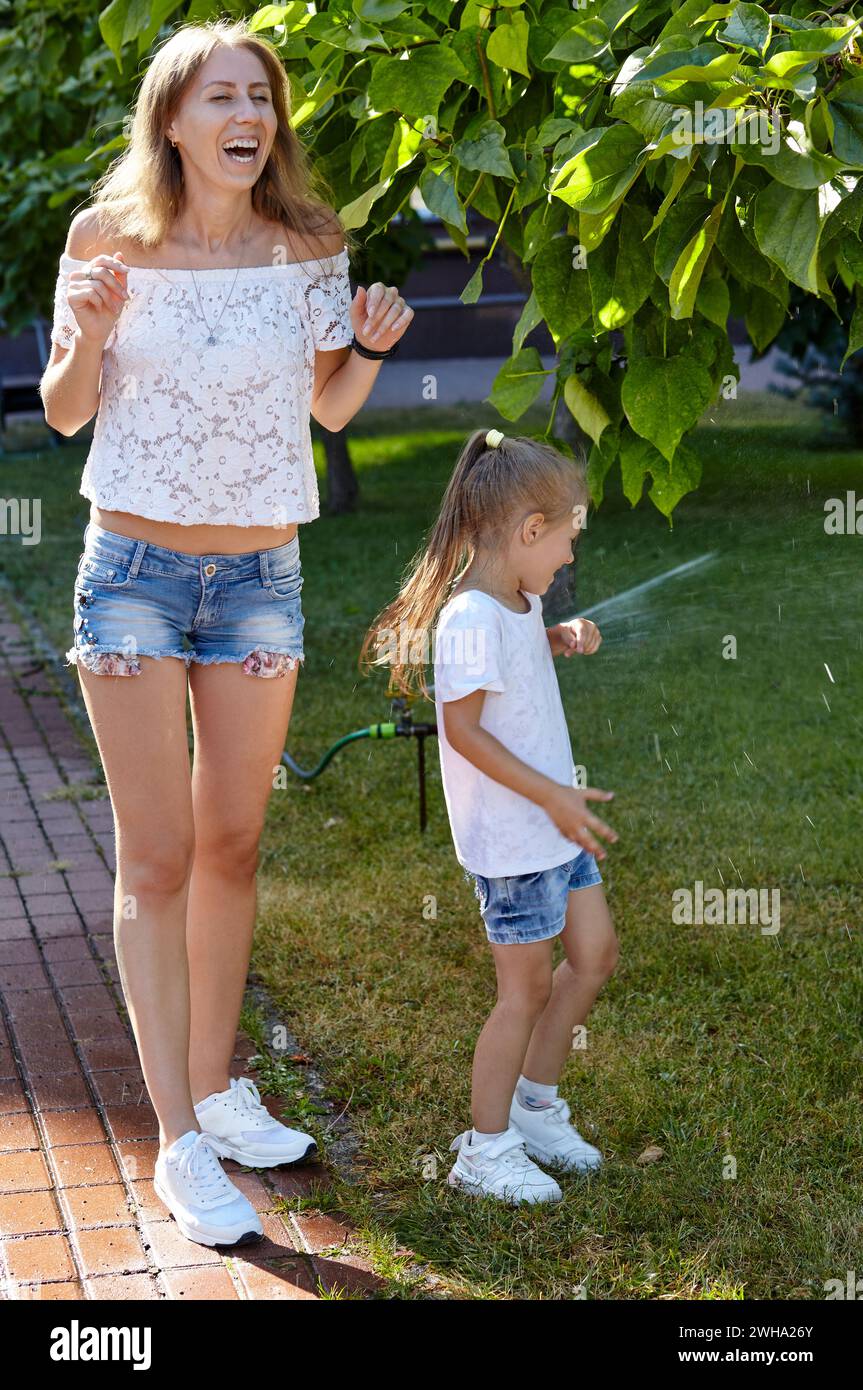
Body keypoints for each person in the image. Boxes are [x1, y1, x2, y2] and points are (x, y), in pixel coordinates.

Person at [39, 16, 413, 1249]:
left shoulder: (307, 243)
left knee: (235, 844)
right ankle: (176, 1140)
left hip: (260, 578)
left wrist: (360, 346)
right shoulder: (105, 240)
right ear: (174, 122)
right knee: (154, 858)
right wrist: (86, 332)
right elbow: (63, 411)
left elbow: (330, 405)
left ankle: (211, 1085)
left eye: (260, 95)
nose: (245, 114)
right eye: (221, 96)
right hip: (134, 577)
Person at [359, 429, 619, 1205]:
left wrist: (552, 634)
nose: (569, 558)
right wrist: (548, 793)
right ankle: (484, 1147)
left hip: (551, 825)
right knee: (524, 993)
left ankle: (535, 1110)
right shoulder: (467, 617)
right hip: (514, 839)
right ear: (527, 531)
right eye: (566, 540)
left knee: (596, 956)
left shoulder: (516, 600)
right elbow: (462, 727)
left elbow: (511, 655)